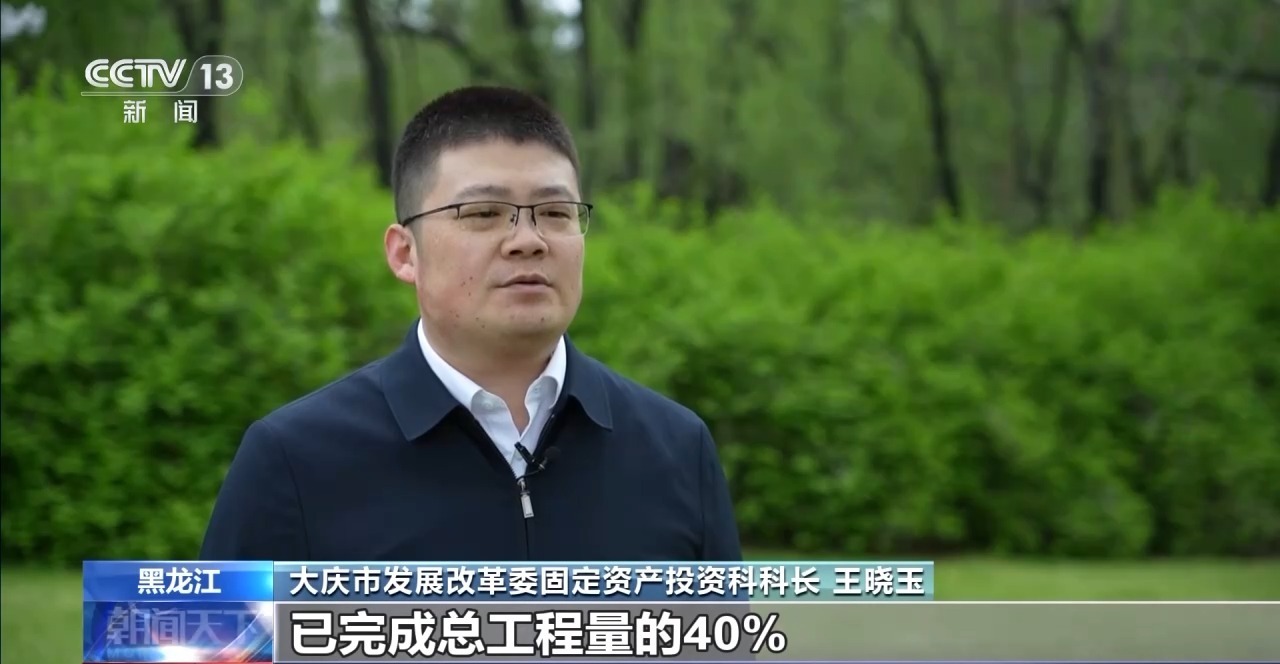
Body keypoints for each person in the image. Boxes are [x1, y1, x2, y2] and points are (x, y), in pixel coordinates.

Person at [199, 86, 743, 562]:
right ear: (404, 253)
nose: (528, 240)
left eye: (555, 213)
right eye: (483, 214)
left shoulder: (676, 449)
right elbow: (213, 639)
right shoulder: (294, 460)